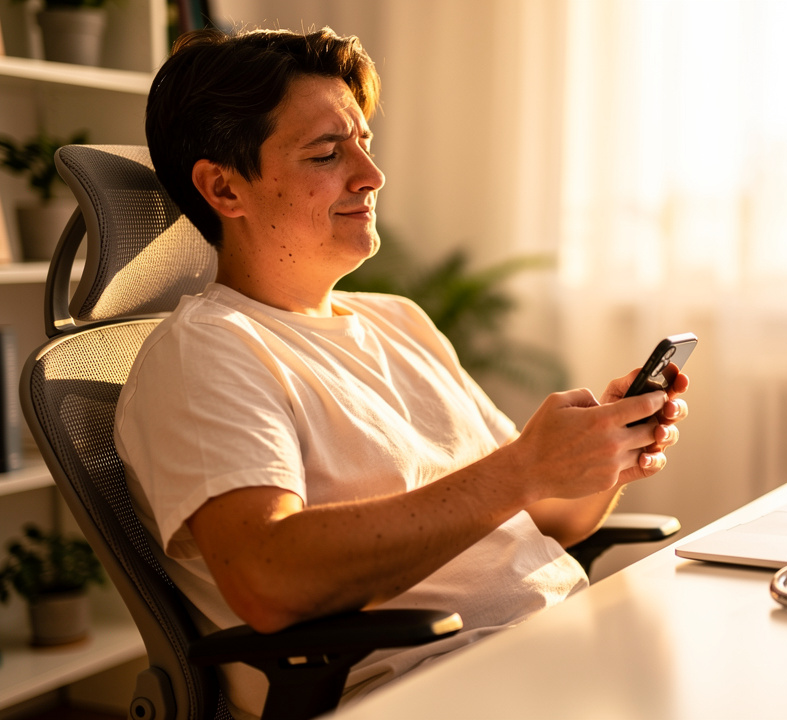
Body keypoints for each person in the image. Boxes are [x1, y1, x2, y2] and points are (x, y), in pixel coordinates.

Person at [114, 26, 690, 718]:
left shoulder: (399, 320)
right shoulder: (209, 351)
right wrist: (522, 470)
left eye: (364, 145)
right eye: (328, 153)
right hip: (441, 685)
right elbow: (265, 577)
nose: (371, 175)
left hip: (561, 647)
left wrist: (600, 457)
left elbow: (542, 521)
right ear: (224, 188)